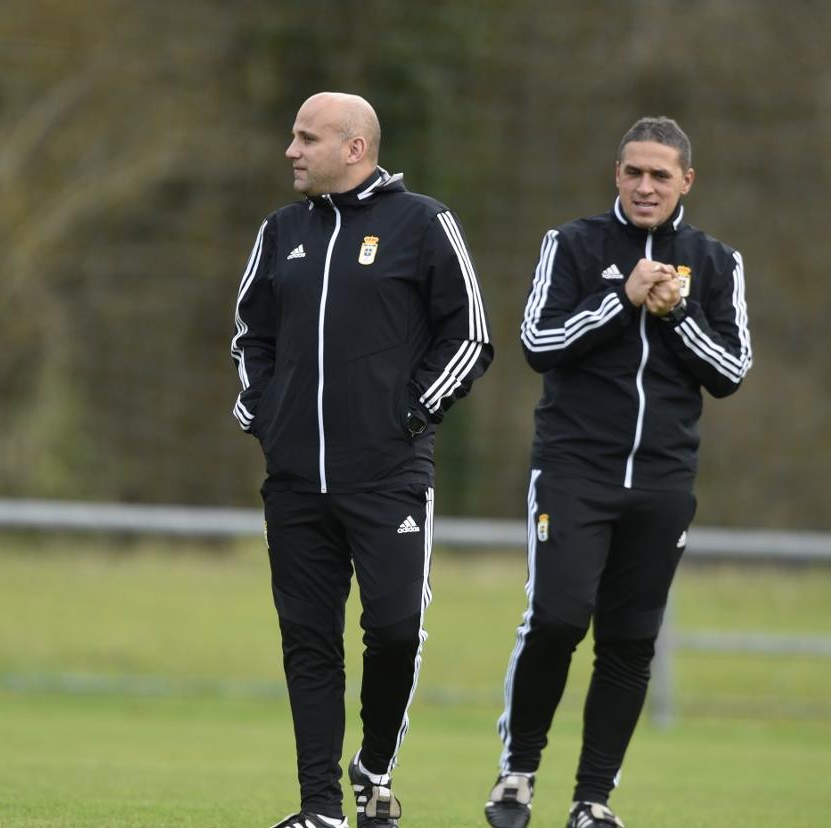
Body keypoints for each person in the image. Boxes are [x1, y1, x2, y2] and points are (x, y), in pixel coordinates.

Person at [231, 91, 493, 828]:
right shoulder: (280, 231)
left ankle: (374, 766)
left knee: (397, 630)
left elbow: (469, 336)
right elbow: (250, 335)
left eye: (306, 138)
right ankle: (319, 810)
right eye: (292, 135)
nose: (291, 150)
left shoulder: (424, 224)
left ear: (354, 148)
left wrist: (408, 414)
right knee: (308, 644)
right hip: (294, 482)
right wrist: (263, 411)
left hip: (388, 476)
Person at [482, 116, 752, 828]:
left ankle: (592, 801)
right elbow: (538, 341)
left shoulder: (717, 260)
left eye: (660, 175)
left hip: (662, 483)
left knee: (630, 642)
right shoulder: (571, 244)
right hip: (574, 471)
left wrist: (677, 313)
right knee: (558, 617)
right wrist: (622, 298)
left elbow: (730, 371)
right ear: (616, 174)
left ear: (686, 181)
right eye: (633, 172)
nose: (645, 186)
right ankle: (517, 774)